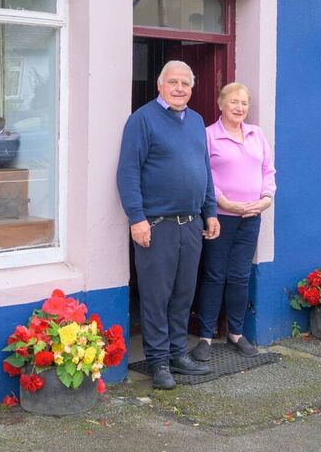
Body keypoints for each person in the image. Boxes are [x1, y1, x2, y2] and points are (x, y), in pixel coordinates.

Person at [117, 60, 220, 390]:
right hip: (156, 225)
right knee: (155, 296)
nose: (179, 88)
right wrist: (137, 218)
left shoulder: (197, 121)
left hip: (190, 224)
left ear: (192, 88)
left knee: (182, 294)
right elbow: (128, 173)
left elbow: (203, 171)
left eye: (185, 83)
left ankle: (178, 353)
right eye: (173, 82)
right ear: (160, 85)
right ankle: (158, 360)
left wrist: (211, 211)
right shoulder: (142, 120)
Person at [191, 82, 276, 362]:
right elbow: (202, 174)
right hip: (221, 218)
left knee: (240, 275)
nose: (239, 108)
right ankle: (205, 337)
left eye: (244, 103)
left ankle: (236, 334)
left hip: (251, 217)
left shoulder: (257, 134)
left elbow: (268, 170)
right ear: (220, 104)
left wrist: (266, 199)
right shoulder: (208, 136)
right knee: (215, 275)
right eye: (233, 102)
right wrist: (222, 201)